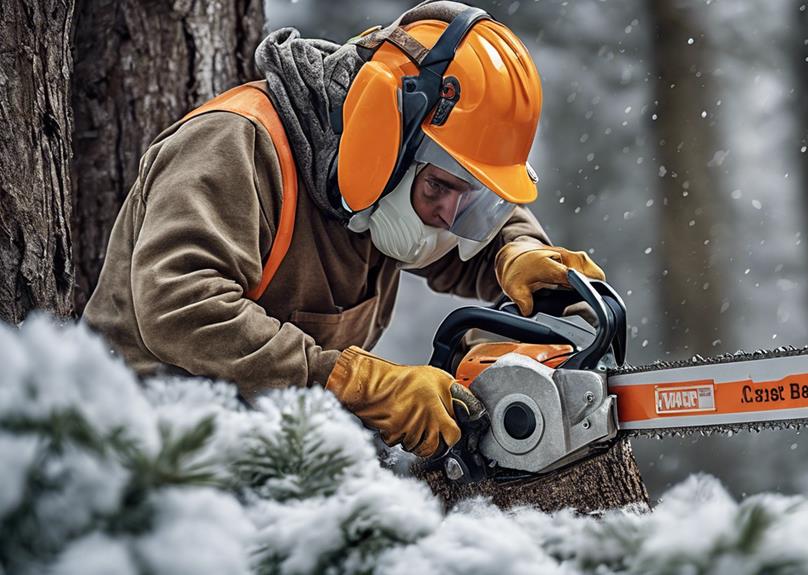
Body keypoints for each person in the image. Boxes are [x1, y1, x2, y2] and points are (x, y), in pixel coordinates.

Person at [83, 0, 604, 459]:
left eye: (469, 196)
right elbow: (179, 305)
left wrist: (517, 251)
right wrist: (353, 382)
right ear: (384, 142)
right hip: (150, 445)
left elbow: (448, 221)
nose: (450, 214)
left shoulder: (377, 190)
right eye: (440, 188)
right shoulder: (236, 146)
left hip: (282, 449)